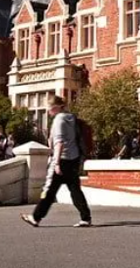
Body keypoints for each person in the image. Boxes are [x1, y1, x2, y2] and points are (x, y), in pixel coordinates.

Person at [21, 95, 93, 229]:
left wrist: (57, 163)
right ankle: (85, 217)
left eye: (49, 107)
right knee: (75, 190)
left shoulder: (59, 120)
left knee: (50, 190)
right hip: (74, 159)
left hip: (63, 160)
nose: (48, 111)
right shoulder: (71, 118)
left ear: (55, 107)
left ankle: (36, 217)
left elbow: (59, 143)